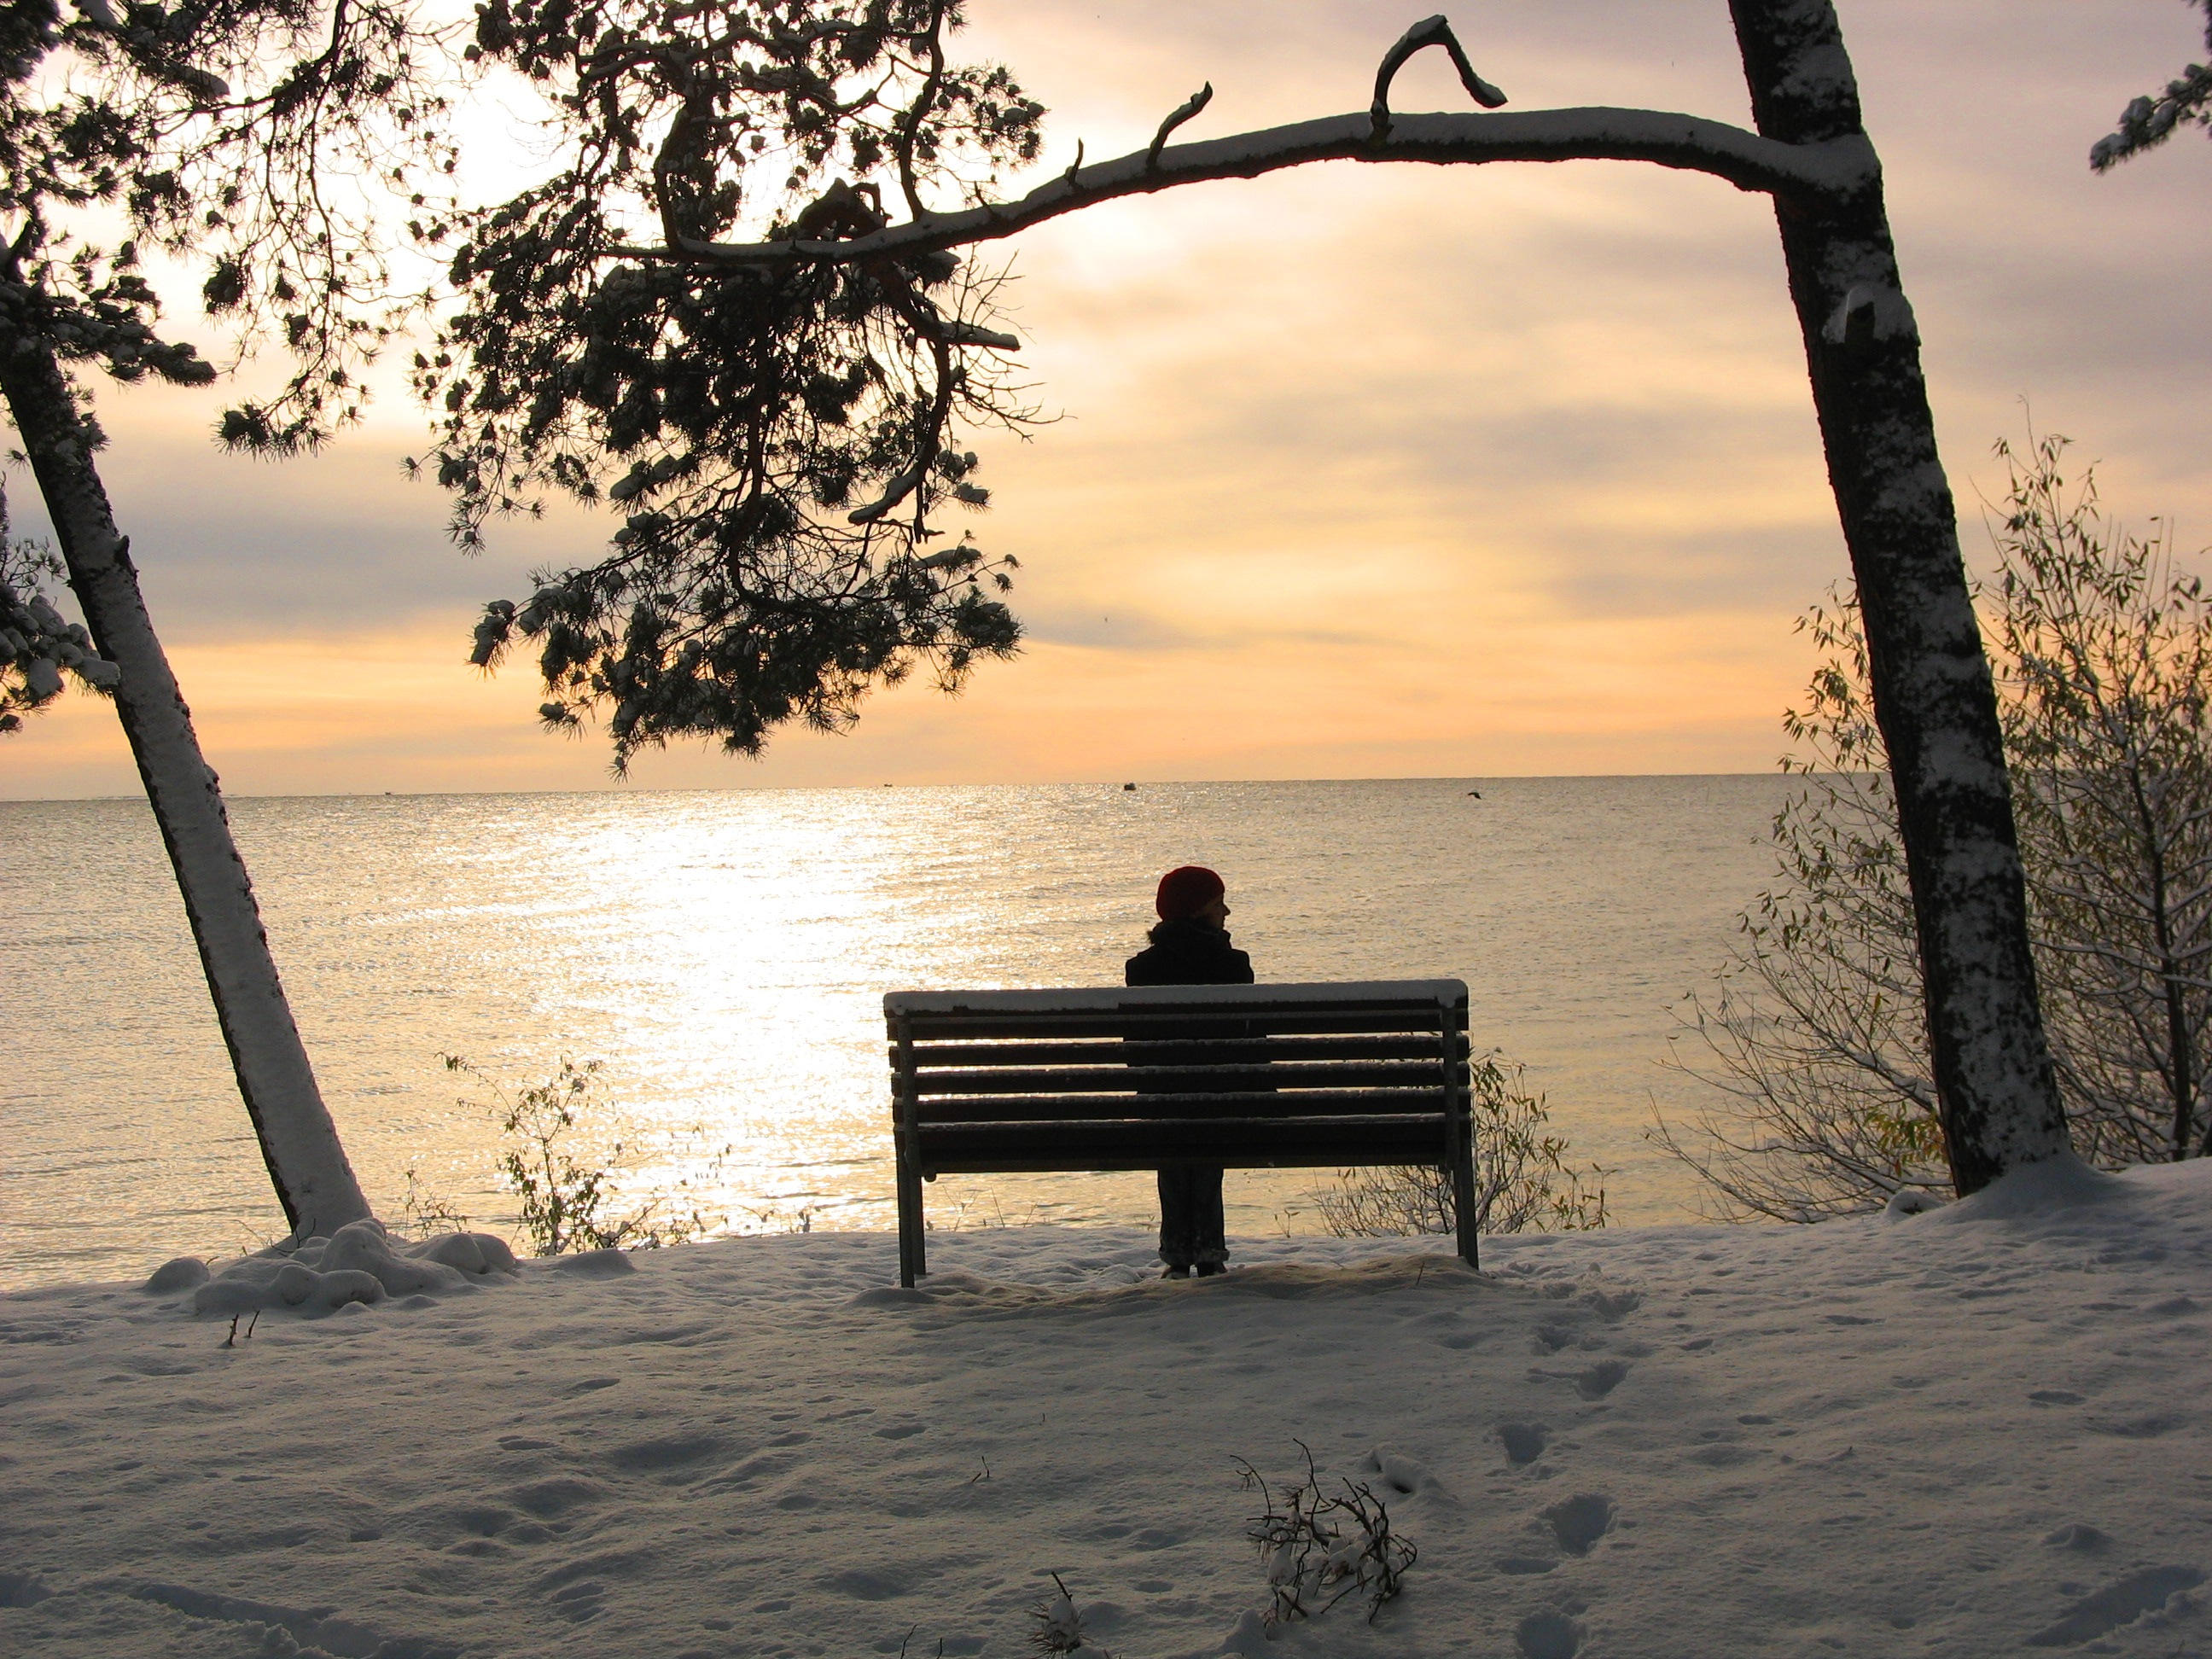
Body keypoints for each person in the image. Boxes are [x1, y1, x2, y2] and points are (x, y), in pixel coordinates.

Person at [1126, 864, 1250, 1279]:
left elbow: (1136, 1054)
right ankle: (1208, 1253)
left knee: (1174, 1119)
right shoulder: (1234, 966)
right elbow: (1247, 1046)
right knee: (1207, 1116)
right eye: (1218, 903)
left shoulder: (1141, 969)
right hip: (1224, 1107)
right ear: (1199, 912)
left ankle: (1179, 1254)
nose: (1227, 911)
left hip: (1162, 1107)